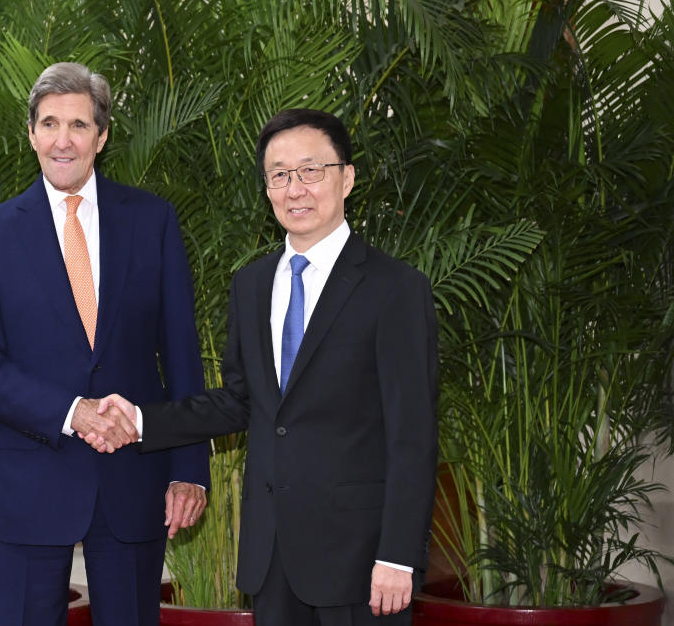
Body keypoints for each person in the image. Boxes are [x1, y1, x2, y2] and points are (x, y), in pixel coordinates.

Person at [89, 109, 439, 626]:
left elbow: (413, 433)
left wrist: (397, 554)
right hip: (272, 555)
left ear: (347, 177)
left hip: (363, 561)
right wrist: (141, 420)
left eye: (310, 171)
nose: (294, 189)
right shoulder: (251, 285)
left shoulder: (394, 288)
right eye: (279, 175)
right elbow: (240, 400)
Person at [0, 62, 209, 626]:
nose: (62, 140)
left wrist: (190, 468)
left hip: (134, 482)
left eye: (79, 125)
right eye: (49, 124)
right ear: (31, 133)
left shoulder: (153, 221)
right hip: (31, 481)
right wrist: (72, 413)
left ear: (102, 136)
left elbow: (182, 355)